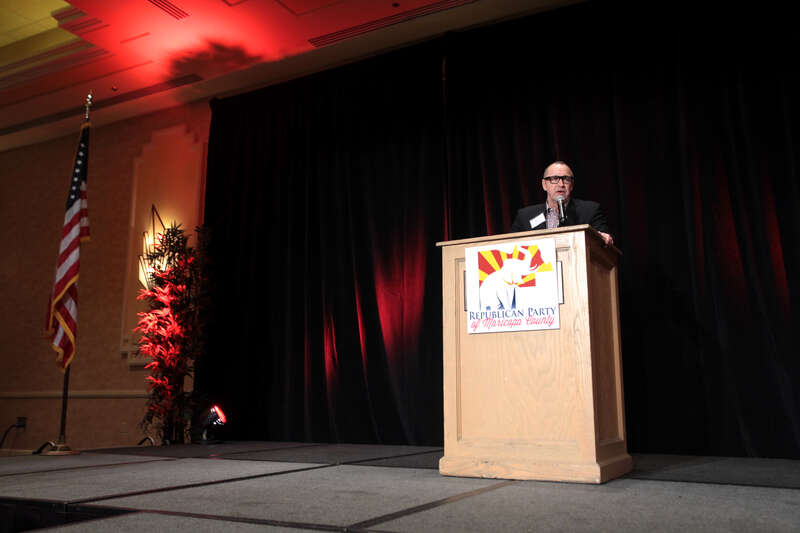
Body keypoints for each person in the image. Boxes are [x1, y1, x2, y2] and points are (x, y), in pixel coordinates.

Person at [510, 161, 614, 246]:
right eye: (554, 179)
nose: (561, 184)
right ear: (544, 184)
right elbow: (509, 245)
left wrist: (604, 238)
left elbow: (604, 240)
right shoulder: (525, 216)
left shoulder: (590, 210)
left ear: (572, 185)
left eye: (566, 179)